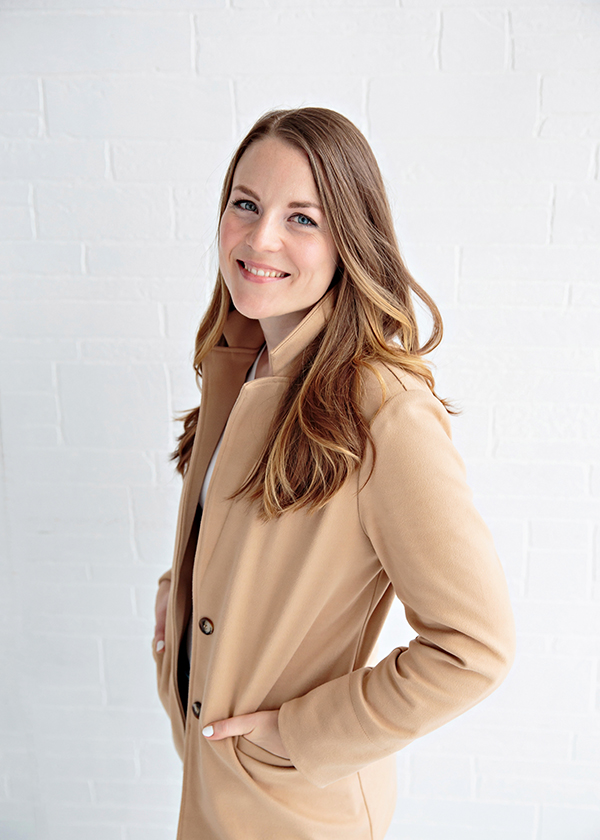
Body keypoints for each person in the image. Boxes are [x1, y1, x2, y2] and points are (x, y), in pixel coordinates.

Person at [152, 107, 515, 840]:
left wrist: (296, 736)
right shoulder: (239, 362)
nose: (260, 238)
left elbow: (474, 647)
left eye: (302, 219)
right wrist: (179, 591)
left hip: (295, 809)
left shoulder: (385, 411)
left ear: (351, 237)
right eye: (245, 204)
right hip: (210, 774)